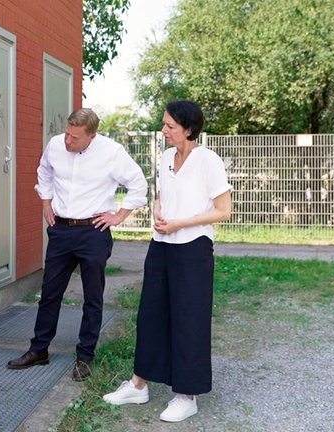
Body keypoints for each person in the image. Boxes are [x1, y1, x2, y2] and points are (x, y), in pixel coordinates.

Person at [102, 100, 232, 422]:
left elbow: (223, 210)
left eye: (170, 126)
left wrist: (180, 223)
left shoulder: (208, 161)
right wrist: (159, 210)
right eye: (164, 124)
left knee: (189, 320)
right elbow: (163, 194)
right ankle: (138, 384)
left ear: (188, 130)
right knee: (151, 314)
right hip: (161, 245)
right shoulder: (164, 157)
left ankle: (186, 395)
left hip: (193, 248)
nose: (163, 131)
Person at [7, 108, 149, 381]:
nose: (68, 142)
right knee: (50, 293)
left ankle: (85, 357)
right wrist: (46, 202)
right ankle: (39, 350)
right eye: (67, 134)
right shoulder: (55, 145)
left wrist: (119, 215)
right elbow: (44, 171)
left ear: (92, 136)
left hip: (93, 232)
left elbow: (138, 184)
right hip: (60, 230)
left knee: (92, 298)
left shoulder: (112, 152)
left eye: (75, 138)